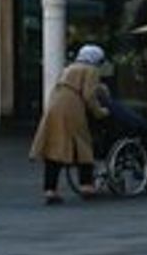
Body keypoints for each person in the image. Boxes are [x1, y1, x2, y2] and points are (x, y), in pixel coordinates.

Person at [29, 43, 111, 204]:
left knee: (54, 147)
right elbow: (88, 96)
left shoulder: (70, 68)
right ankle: (86, 186)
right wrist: (101, 112)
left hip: (55, 104)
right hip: (72, 106)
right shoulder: (91, 70)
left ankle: (50, 190)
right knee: (83, 144)